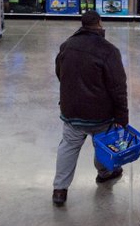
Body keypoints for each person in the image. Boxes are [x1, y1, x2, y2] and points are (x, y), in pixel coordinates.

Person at [52, 11, 128, 206]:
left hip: (72, 112)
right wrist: (122, 117)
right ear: (99, 24)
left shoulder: (67, 45)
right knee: (102, 146)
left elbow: (60, 73)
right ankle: (105, 174)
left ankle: (60, 190)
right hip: (100, 115)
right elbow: (118, 87)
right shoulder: (109, 51)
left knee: (68, 146)